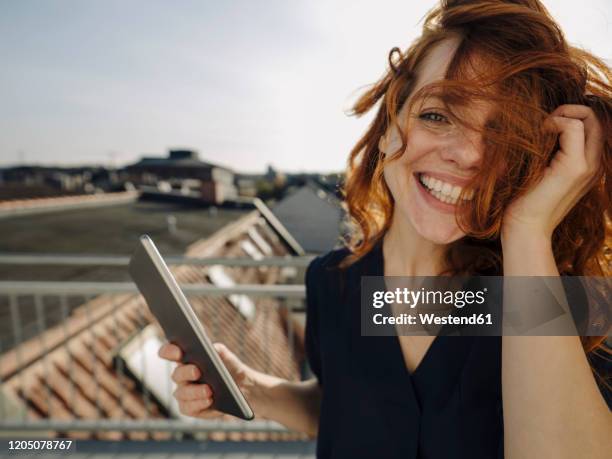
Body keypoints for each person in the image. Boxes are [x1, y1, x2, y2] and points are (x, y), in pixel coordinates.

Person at [159, 1, 612, 457]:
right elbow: (344, 406)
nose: (471, 155)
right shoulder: (334, 281)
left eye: (502, 136)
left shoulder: (559, 300)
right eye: (438, 115)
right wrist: (252, 389)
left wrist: (528, 230)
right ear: (388, 124)